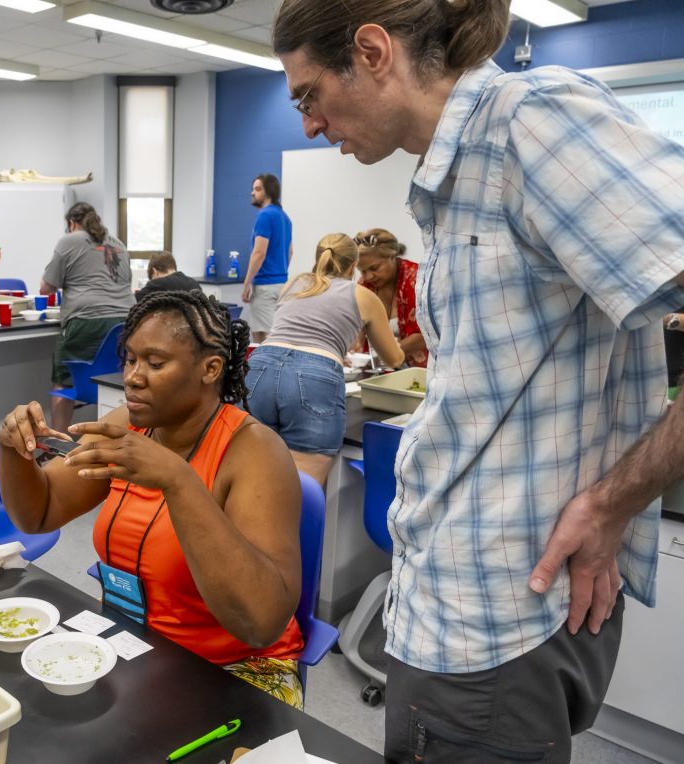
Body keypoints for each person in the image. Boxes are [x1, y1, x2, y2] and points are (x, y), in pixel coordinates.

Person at [273, 0, 684, 760]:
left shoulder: (528, 122)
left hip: (493, 623)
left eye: (309, 96)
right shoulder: (454, 174)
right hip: (459, 604)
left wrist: (612, 502)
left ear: (372, 52)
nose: (309, 125)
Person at [0, 290, 307, 707]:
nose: (133, 377)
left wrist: (179, 481)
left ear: (211, 368)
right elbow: (40, 512)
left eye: (155, 363)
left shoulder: (255, 452)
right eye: (130, 359)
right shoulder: (129, 426)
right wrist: (14, 450)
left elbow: (261, 624)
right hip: (137, 643)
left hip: (235, 670)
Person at [247, 234, 403, 485]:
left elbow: (297, 334)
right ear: (354, 266)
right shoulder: (362, 295)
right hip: (314, 376)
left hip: (259, 367)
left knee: (250, 479)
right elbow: (394, 358)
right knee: (301, 489)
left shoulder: (294, 283)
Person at [40, 202, 133, 433]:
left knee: (63, 381)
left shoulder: (69, 240)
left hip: (86, 322)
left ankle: (59, 442)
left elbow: (46, 288)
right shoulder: (119, 243)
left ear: (72, 223)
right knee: (118, 376)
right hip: (127, 323)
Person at [354, 227, 427, 368]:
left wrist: (384, 355)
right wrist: (356, 345)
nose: (368, 276)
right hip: (382, 367)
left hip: (419, 371)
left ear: (392, 256)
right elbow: (359, 328)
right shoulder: (364, 286)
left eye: (374, 268)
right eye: (362, 271)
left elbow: (424, 335)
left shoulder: (418, 281)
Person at [241, 174, 293, 344]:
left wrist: (247, 283)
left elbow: (259, 253)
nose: (252, 193)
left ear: (268, 191)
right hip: (281, 285)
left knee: (262, 340)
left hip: (264, 287)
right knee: (277, 336)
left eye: (257, 189)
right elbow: (290, 252)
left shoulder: (264, 215)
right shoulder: (285, 217)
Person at [135, 251, 202, 302]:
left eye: (151, 278)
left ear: (155, 271)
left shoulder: (157, 284)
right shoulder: (194, 284)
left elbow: (134, 302)